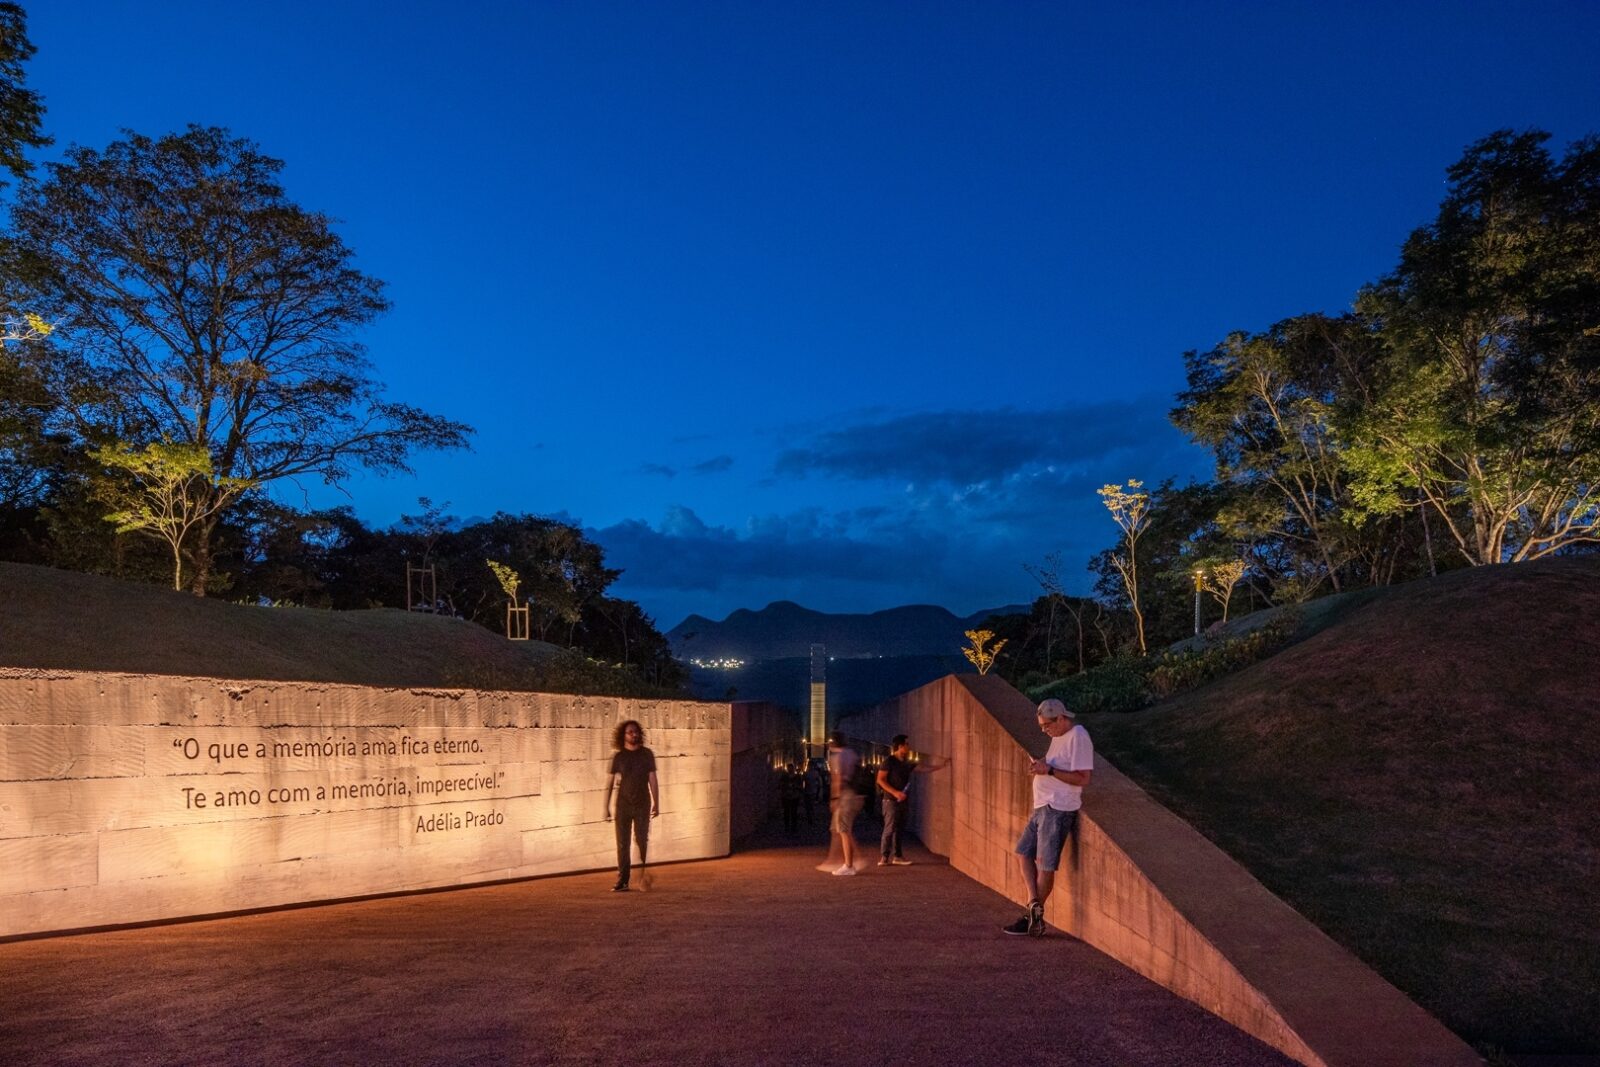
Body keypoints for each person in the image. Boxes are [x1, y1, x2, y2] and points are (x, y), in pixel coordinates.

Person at [1003, 698, 1093, 936]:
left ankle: (1031, 916)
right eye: (1041, 726)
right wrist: (1042, 765)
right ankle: (1033, 904)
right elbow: (1056, 766)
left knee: (1045, 865)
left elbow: (1083, 778)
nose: (1045, 730)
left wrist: (1049, 770)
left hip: (1058, 808)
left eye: (1047, 725)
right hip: (1042, 806)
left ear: (1061, 718)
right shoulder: (1058, 737)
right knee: (1023, 853)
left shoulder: (1079, 737)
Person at [604, 719, 659, 892]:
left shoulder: (646, 754)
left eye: (636, 731)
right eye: (630, 732)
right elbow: (610, 782)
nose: (634, 734)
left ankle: (643, 874)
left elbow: (653, 780)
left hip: (642, 803)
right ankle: (623, 880)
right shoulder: (619, 757)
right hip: (623, 805)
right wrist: (605, 806)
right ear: (624, 735)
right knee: (622, 843)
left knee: (642, 839)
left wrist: (657, 802)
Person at [875, 734, 946, 866]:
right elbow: (880, 779)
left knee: (900, 828)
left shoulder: (906, 763)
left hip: (903, 800)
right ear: (900, 746)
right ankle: (884, 857)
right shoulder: (889, 761)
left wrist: (940, 766)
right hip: (890, 800)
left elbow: (922, 768)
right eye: (907, 744)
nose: (909, 747)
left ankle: (898, 856)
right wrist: (895, 792)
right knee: (890, 828)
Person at [825, 730, 865, 876]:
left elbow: (837, 778)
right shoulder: (852, 754)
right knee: (840, 828)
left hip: (845, 795)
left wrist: (835, 798)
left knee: (843, 830)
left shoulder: (838, 757)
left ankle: (849, 865)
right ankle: (848, 861)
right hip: (855, 794)